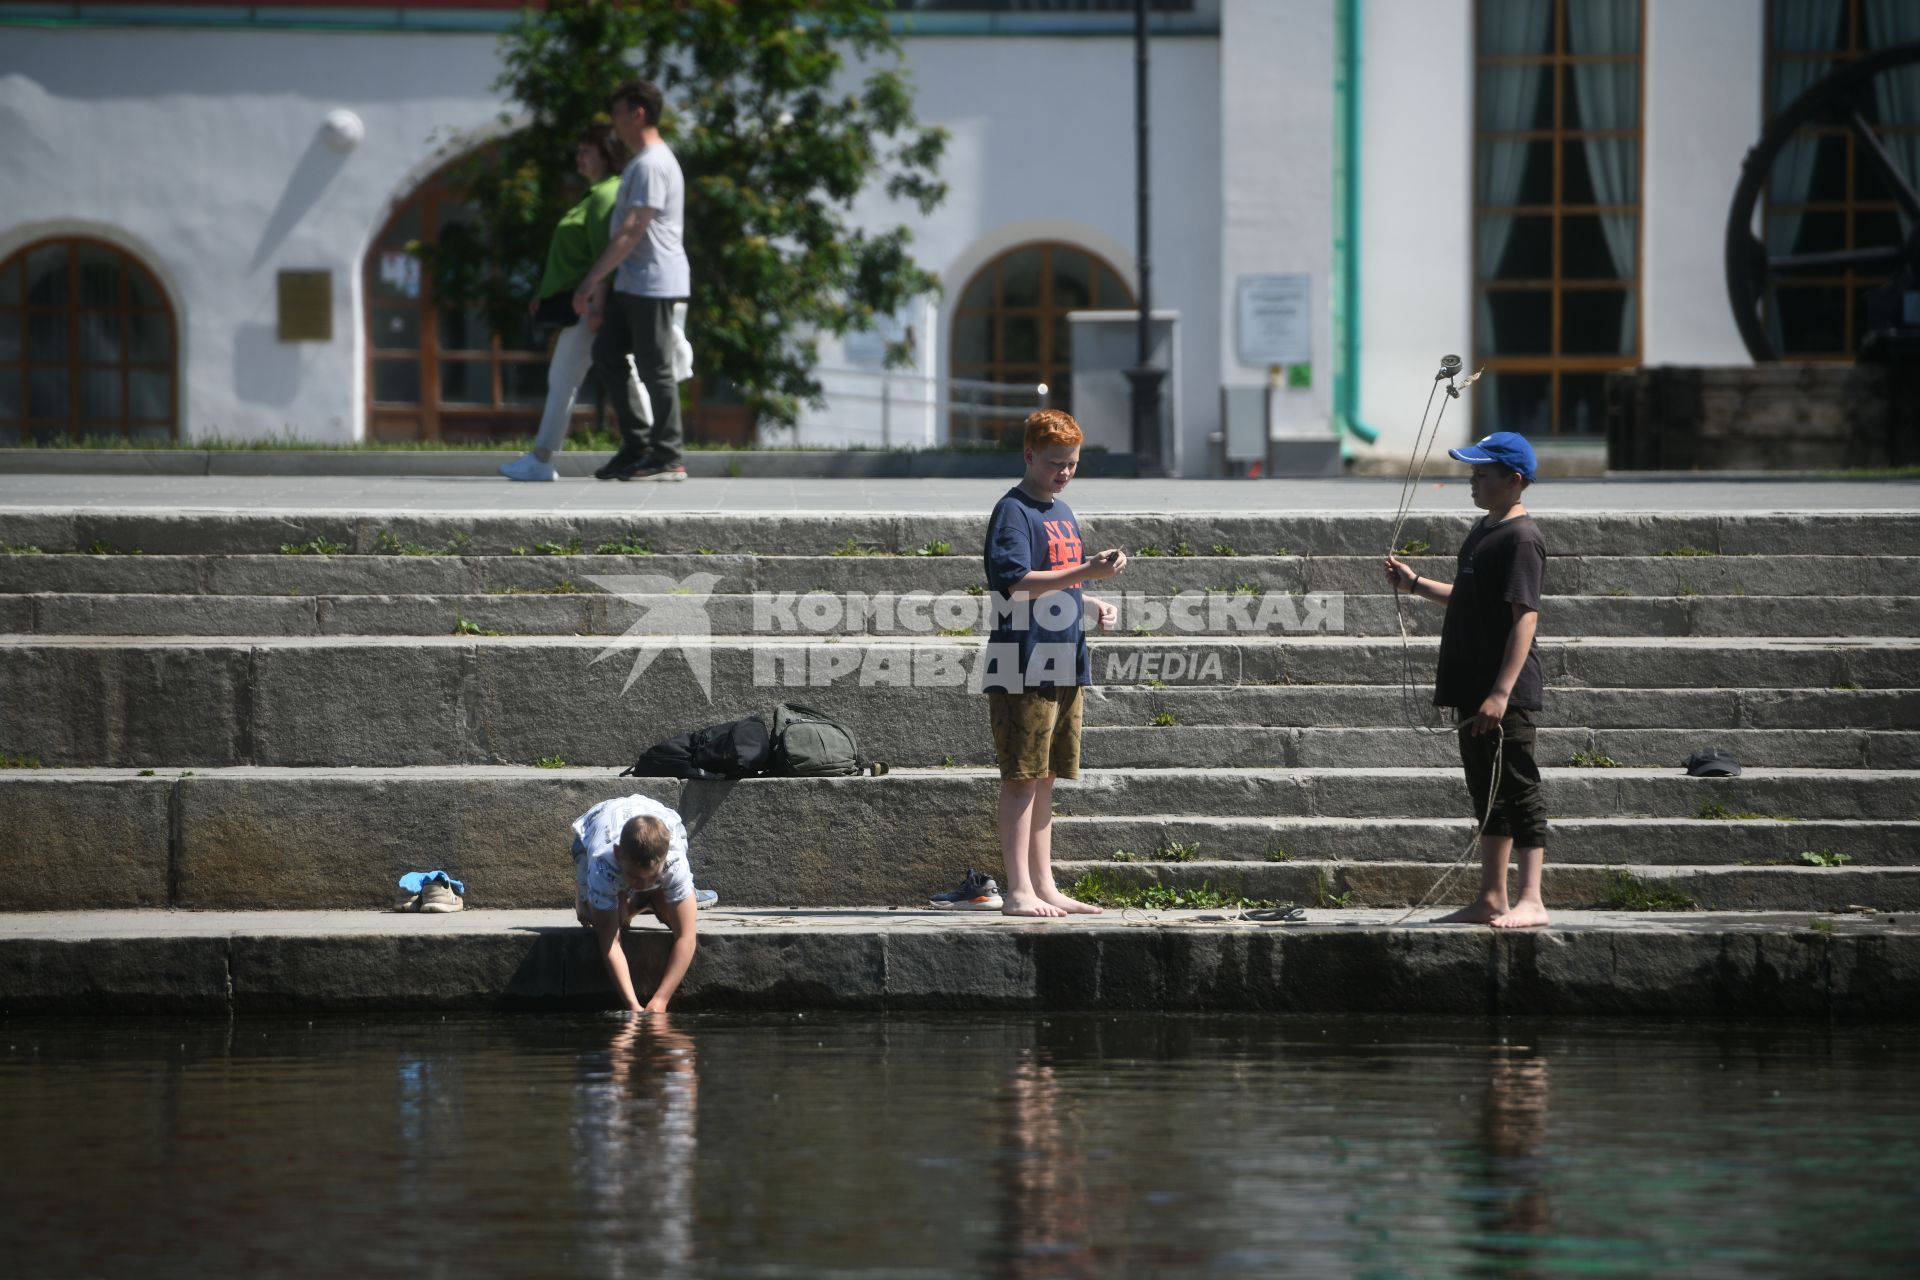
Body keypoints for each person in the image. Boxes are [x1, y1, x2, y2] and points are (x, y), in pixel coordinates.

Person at [1384, 430, 1549, 928]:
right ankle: (1492, 897)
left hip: (1504, 692)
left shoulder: (1522, 538)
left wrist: (1501, 692)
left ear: (1513, 480)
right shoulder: (1485, 530)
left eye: (1481, 475)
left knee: (1518, 787)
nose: (1472, 483)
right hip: (1474, 687)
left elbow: (1525, 616)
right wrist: (1415, 585)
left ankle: (1532, 899)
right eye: (1472, 474)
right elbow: (1471, 597)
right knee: (1486, 790)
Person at [981, 409, 1127, 918]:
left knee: (1045, 778)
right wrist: (1086, 569)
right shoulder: (1013, 512)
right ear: (1029, 455)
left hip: (1065, 660)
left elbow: (1060, 587)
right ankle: (1018, 889)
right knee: (1021, 777)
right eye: (1055, 463)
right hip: (1022, 662)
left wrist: (1091, 603)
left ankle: (1045, 885)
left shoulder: (1062, 512)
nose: (1064, 472)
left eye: (1073, 464)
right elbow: (1015, 585)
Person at [573, 78, 690, 483]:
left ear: (638, 113)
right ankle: (637, 444)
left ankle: (668, 455)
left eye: (618, 113)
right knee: (607, 354)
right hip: (633, 280)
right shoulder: (640, 163)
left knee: (655, 366)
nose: (614, 122)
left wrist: (591, 281)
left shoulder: (653, 163)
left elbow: (632, 229)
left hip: (653, 280)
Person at [500, 125, 629, 482]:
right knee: (623, 375)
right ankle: (655, 448)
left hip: (588, 306)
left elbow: (606, 255)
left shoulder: (605, 196)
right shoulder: (594, 195)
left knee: (563, 378)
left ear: (605, 154)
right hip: (584, 303)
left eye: (586, 150)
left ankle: (542, 459)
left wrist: (597, 306)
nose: (579, 156)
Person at [571, 792, 713, 1013]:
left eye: (652, 878)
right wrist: (631, 1004)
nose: (643, 883)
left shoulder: (674, 861)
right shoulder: (603, 862)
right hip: (592, 828)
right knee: (594, 918)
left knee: (672, 918)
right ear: (619, 855)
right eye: (635, 877)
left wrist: (661, 1000)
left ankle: (645, 899)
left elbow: (686, 937)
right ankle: (593, 898)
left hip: (662, 819)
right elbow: (610, 943)